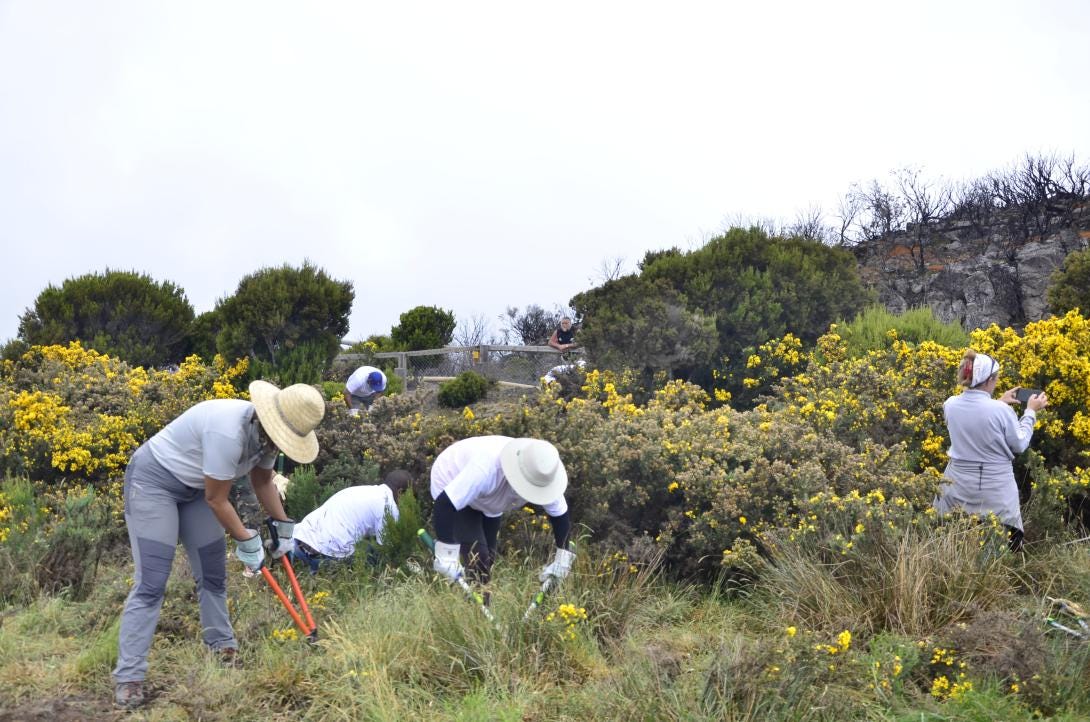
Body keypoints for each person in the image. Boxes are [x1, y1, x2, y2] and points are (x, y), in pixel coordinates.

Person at [112, 381, 326, 709]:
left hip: (197, 490)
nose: (279, 446)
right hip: (154, 482)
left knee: (213, 575)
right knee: (152, 582)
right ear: (268, 421)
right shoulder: (229, 432)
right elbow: (217, 499)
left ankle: (223, 648)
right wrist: (247, 540)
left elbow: (263, 481)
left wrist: (284, 526)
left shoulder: (266, 439)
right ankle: (129, 677)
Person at [933, 350, 1048, 551]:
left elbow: (974, 416)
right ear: (990, 380)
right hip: (995, 490)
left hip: (957, 485)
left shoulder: (950, 404)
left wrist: (998, 402)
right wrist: (1030, 411)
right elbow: (1019, 444)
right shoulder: (1001, 411)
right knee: (996, 547)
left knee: (958, 541)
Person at [429, 436, 574, 595]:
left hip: (490, 499)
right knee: (479, 558)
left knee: (488, 559)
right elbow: (445, 504)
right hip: (451, 480)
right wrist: (446, 554)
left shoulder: (544, 474)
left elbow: (560, 516)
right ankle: (476, 614)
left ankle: (476, 605)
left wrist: (563, 559)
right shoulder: (486, 469)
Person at [290, 469, 413, 573]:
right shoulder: (389, 507)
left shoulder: (364, 490)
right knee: (372, 556)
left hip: (300, 537)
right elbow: (387, 550)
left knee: (362, 544)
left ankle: (294, 559)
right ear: (401, 492)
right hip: (325, 552)